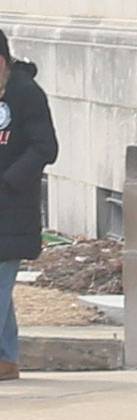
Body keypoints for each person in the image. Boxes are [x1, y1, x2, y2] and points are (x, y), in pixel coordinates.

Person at [0, 29, 59, 381]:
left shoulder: (26, 94)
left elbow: (45, 147)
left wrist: (9, 181)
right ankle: (6, 358)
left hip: (11, 208)